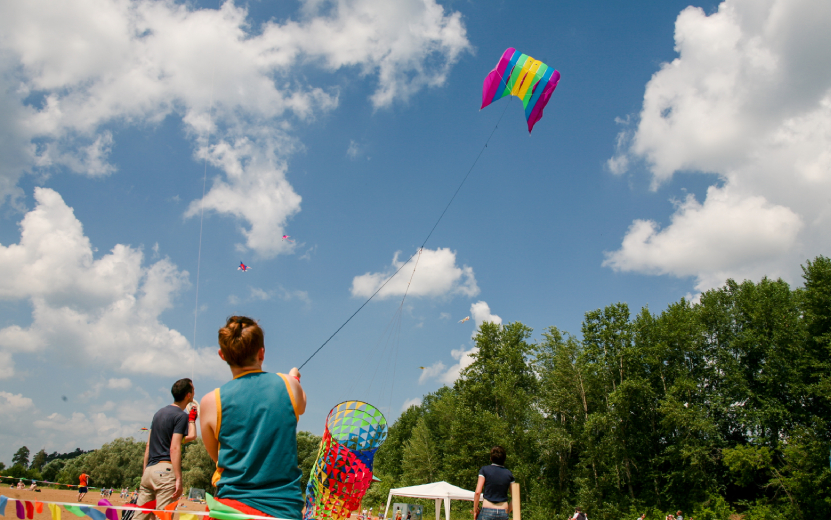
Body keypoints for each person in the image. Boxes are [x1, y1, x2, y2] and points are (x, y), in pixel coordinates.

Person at [200, 316, 307, 520]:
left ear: (222, 355)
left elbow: (218, 456)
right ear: (261, 353)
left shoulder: (209, 402)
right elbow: (301, 404)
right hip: (283, 511)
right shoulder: (289, 385)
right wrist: (294, 377)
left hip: (230, 511)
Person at [136, 378, 198, 520]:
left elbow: (148, 445)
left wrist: (145, 472)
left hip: (149, 471)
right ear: (188, 395)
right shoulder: (180, 416)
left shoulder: (158, 413)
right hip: (165, 472)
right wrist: (178, 479)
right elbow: (174, 447)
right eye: (193, 390)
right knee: (163, 517)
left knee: (140, 517)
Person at [473, 446, 514, 520]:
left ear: (491, 458)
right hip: (503, 511)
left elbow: (478, 492)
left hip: (487, 510)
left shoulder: (484, 470)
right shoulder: (509, 474)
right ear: (504, 459)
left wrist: (475, 511)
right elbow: (515, 498)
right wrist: (507, 512)